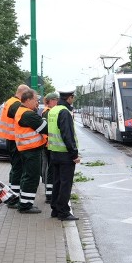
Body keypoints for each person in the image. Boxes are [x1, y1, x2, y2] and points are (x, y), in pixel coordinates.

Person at [48, 87, 81, 221]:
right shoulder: (64, 112)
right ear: (70, 98)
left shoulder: (53, 110)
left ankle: (55, 209)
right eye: (73, 97)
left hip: (54, 152)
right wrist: (74, 154)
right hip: (65, 154)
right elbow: (67, 135)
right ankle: (63, 212)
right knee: (65, 183)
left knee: (57, 182)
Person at [0, 84, 31, 207]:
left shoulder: (10, 101)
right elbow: (24, 117)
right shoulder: (15, 104)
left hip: (11, 139)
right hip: (14, 139)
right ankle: (14, 199)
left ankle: (12, 195)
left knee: (15, 169)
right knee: (18, 169)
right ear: (23, 93)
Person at [14, 90, 48, 213]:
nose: (37, 102)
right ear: (27, 100)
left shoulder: (22, 111)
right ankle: (25, 206)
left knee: (27, 176)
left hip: (26, 149)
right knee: (32, 177)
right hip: (31, 150)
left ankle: (23, 203)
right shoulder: (28, 114)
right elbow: (45, 128)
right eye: (35, 100)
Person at [41, 92, 59, 203]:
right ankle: (49, 194)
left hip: (47, 143)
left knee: (48, 168)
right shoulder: (48, 112)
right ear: (51, 101)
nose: (57, 102)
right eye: (56, 100)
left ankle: (49, 192)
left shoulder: (46, 112)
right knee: (50, 169)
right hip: (49, 144)